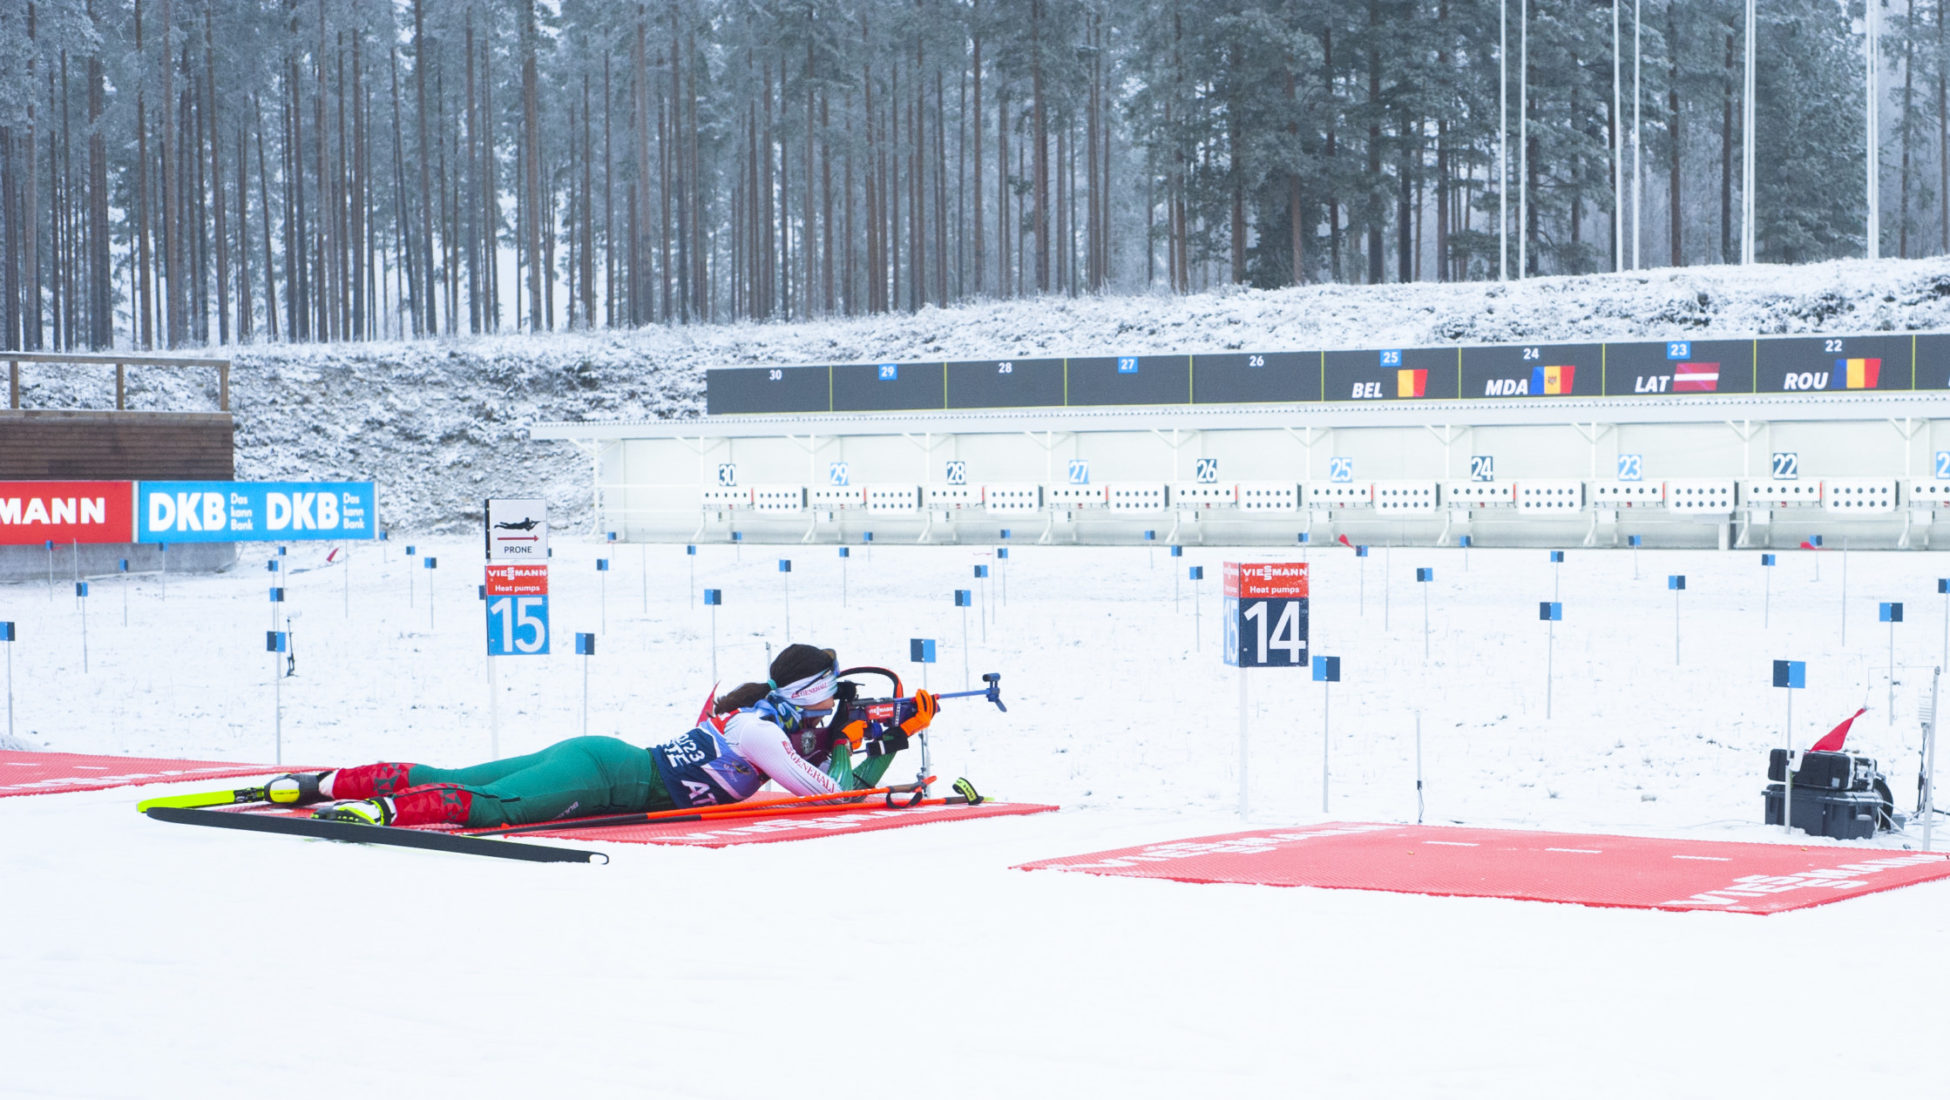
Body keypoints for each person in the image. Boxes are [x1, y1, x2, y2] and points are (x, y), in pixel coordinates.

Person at [264, 644, 936, 829]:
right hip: (611, 778)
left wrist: (871, 734)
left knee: (465, 775)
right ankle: (372, 807)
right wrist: (876, 743)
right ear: (801, 694)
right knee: (492, 806)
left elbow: (811, 761)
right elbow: (832, 797)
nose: (830, 704)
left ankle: (322, 781)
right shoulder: (763, 730)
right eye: (826, 690)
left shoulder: (754, 712)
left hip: (605, 759)